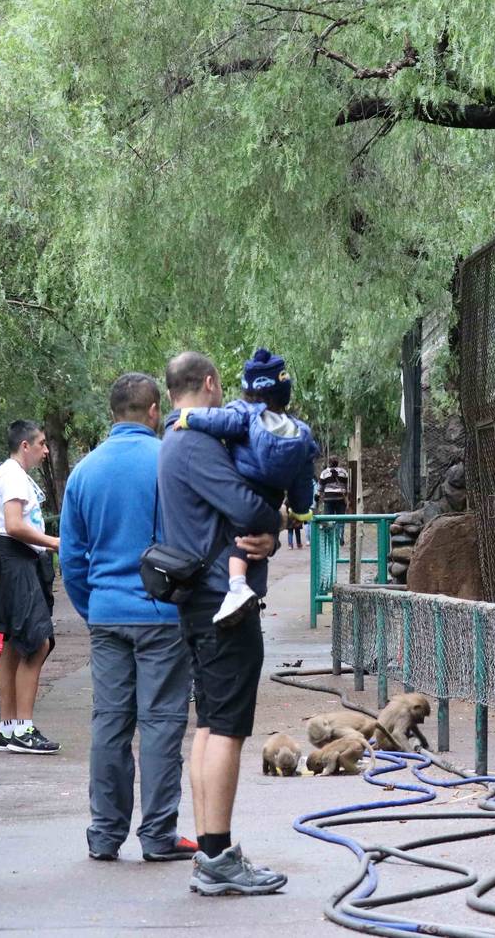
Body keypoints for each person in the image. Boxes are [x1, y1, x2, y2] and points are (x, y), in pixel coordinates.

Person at [159, 351, 284, 895]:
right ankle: (217, 855)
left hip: (200, 598)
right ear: (209, 384)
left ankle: (212, 852)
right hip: (221, 604)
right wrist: (277, 519)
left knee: (210, 725)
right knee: (226, 729)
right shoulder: (193, 443)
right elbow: (249, 508)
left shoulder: (171, 440)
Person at [61, 373, 198, 864]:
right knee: (161, 723)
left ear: (112, 412)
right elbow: (192, 543)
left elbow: (72, 559)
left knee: (110, 723)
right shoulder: (170, 462)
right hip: (162, 613)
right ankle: (159, 834)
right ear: (155, 411)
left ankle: (104, 834)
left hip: (107, 613)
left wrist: (94, 605)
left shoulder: (84, 472)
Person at [175, 349, 317, 624]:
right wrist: (300, 511)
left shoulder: (243, 414)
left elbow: (220, 421)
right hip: (273, 496)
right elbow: (303, 480)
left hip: (245, 483)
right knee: (253, 537)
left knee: (238, 538)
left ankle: (237, 585)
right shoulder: (302, 434)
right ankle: (241, 585)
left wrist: (189, 418)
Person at [0, 420, 61, 754]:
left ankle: (9, 728)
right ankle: (22, 729)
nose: (46, 450)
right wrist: (56, 542)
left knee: (16, 645)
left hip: (13, 561)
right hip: (15, 560)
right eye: (42, 444)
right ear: (25, 445)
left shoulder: (10, 473)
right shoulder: (13, 474)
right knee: (37, 643)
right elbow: (14, 525)